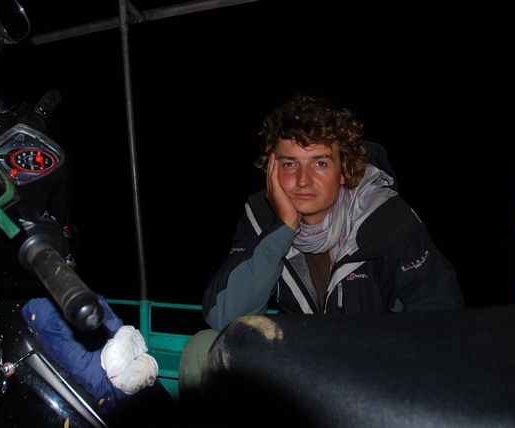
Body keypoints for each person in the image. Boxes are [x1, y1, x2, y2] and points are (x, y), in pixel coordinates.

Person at [178, 92, 465, 399]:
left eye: (319, 163)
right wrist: (283, 229)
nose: (303, 180)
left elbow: (441, 319)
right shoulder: (260, 219)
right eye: (290, 164)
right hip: (309, 357)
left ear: (343, 170)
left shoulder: (384, 219)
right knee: (203, 347)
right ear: (272, 170)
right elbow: (223, 315)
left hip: (376, 367)